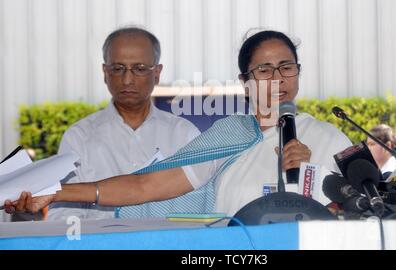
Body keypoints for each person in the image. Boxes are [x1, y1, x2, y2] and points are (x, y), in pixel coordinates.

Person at [5, 30, 352, 217]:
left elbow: (370, 203)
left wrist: (316, 173)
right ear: (245, 80)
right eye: (264, 70)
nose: (277, 78)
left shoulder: (327, 137)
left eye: (286, 66)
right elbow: (145, 187)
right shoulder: (229, 135)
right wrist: (55, 192)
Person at [43, 27, 200, 220]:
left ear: (157, 73)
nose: (127, 80)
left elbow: (200, 205)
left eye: (140, 68)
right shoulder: (79, 137)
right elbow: (63, 216)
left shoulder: (183, 134)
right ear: (105, 72)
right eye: (117, 68)